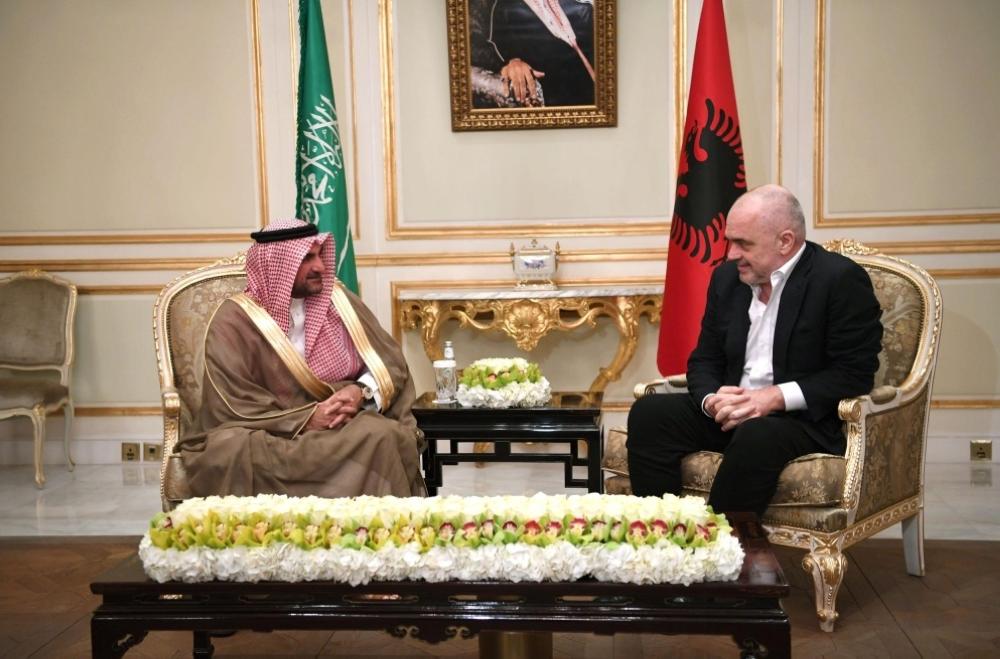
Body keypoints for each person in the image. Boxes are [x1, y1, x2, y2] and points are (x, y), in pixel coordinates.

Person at [626, 185, 883, 516]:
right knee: (650, 413)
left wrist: (772, 398)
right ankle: (662, 531)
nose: (731, 254)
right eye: (729, 241)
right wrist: (712, 400)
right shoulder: (727, 278)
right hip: (732, 412)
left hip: (800, 421)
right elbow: (704, 359)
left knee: (757, 434)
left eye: (743, 244)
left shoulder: (838, 280)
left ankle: (723, 542)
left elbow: (854, 373)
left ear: (785, 241)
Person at [177, 219, 426, 498]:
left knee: (381, 435)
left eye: (319, 255)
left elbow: (389, 363)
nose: (320, 266)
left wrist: (361, 392)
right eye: (307, 258)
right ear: (277, 265)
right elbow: (232, 401)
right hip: (270, 431)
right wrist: (305, 418)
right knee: (229, 448)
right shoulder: (234, 320)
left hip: (339, 426)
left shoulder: (339, 302)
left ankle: (367, 523)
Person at [470, 0, 595, 108]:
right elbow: (487, 44)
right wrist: (512, 62)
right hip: (563, 103)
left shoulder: (581, 7)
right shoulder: (503, 9)